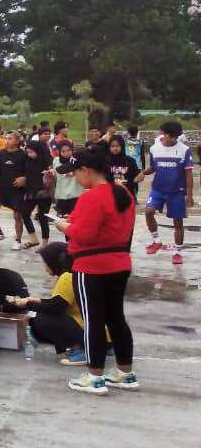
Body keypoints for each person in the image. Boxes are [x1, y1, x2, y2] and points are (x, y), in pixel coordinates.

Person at [60, 146, 139, 395]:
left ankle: (94, 375)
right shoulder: (123, 192)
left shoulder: (91, 196)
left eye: (74, 172)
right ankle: (125, 372)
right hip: (120, 263)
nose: (74, 177)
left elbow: (84, 235)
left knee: (93, 320)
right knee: (116, 318)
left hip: (91, 266)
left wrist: (64, 226)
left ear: (86, 170)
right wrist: (74, 220)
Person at [11, 243, 88, 366]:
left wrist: (28, 304)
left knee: (39, 320)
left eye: (46, 262)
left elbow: (56, 308)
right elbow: (58, 302)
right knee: (37, 318)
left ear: (54, 262)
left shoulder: (67, 277)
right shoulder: (73, 274)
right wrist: (35, 300)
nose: (45, 266)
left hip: (87, 330)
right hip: (92, 330)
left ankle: (82, 351)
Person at [137, 120, 193, 265]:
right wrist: (143, 173)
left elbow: (188, 173)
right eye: (171, 136)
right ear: (164, 134)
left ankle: (178, 252)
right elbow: (153, 167)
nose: (174, 139)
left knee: (177, 222)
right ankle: (157, 241)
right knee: (148, 212)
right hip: (158, 189)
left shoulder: (184, 150)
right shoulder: (155, 148)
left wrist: (190, 194)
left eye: (176, 137)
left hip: (177, 192)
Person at [0, 130, 29, 251]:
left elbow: (31, 171)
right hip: (2, 187)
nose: (6, 140)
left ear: (17, 141)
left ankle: (18, 240)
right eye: (6, 138)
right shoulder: (1, 153)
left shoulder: (23, 155)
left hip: (17, 189)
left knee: (17, 216)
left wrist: (25, 178)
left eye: (10, 138)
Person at [17, 140, 53, 249]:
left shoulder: (46, 161)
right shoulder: (27, 161)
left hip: (44, 193)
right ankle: (33, 239)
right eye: (28, 152)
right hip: (31, 192)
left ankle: (44, 244)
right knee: (25, 213)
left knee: (43, 218)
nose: (30, 154)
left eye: (32, 152)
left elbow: (52, 175)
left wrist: (48, 174)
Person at [54, 140, 87, 217]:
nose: (66, 153)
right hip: (61, 195)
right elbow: (58, 173)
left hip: (76, 194)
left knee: (74, 219)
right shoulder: (56, 160)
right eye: (63, 151)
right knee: (62, 220)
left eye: (69, 150)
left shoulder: (77, 160)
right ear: (59, 151)